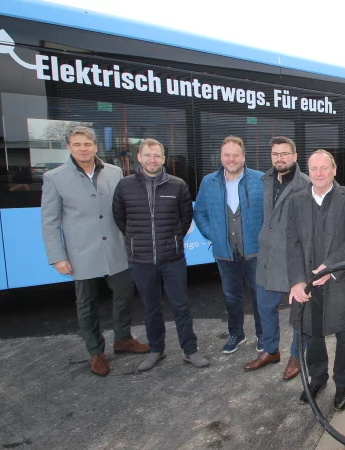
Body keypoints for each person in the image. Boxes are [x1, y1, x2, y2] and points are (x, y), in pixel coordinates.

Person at [41, 126, 149, 377]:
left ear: (95, 146)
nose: (83, 149)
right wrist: (58, 257)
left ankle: (123, 339)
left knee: (124, 293)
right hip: (81, 253)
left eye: (87, 144)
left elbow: (123, 208)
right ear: (69, 147)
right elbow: (49, 221)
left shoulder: (113, 172)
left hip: (115, 247)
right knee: (86, 304)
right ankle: (95, 351)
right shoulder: (54, 178)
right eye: (77, 145)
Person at [112, 138, 208, 371]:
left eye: (157, 155)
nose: (152, 159)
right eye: (147, 155)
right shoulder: (125, 186)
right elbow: (120, 218)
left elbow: (185, 219)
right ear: (139, 158)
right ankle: (156, 349)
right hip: (141, 261)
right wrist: (139, 241)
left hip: (172, 259)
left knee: (181, 306)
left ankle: (190, 350)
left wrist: (173, 239)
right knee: (150, 308)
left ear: (164, 159)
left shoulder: (178, 185)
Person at [286, 150, 345, 411]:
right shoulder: (296, 200)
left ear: (334, 170)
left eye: (324, 168)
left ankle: (343, 384)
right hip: (308, 283)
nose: (319, 174)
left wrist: (329, 268)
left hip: (339, 280)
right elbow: (293, 244)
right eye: (314, 169)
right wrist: (298, 281)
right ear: (308, 172)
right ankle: (317, 378)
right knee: (312, 335)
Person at [243, 136, 309, 378]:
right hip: (268, 258)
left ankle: (296, 354)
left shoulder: (305, 184)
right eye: (275, 154)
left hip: (294, 261)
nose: (279, 158)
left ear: (294, 156)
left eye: (284, 153)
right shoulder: (266, 180)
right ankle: (271, 351)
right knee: (264, 308)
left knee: (299, 314)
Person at [194, 136, 264, 354]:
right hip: (225, 253)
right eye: (227, 155)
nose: (231, 159)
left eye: (236, 155)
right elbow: (200, 212)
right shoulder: (209, 182)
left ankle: (264, 336)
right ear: (221, 157)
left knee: (259, 296)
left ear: (244, 157)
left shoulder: (260, 180)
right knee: (231, 296)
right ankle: (236, 334)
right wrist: (212, 235)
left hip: (255, 252)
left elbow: (271, 214)